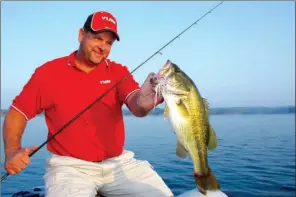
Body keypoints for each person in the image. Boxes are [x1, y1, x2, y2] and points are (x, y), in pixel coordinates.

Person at [3, 11, 174, 197]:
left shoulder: (118, 71)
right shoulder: (48, 73)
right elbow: (17, 113)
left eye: (109, 43)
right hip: (69, 167)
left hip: (117, 162)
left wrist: (145, 101)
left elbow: (137, 106)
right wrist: (12, 151)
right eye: (97, 38)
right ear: (81, 35)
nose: (103, 47)